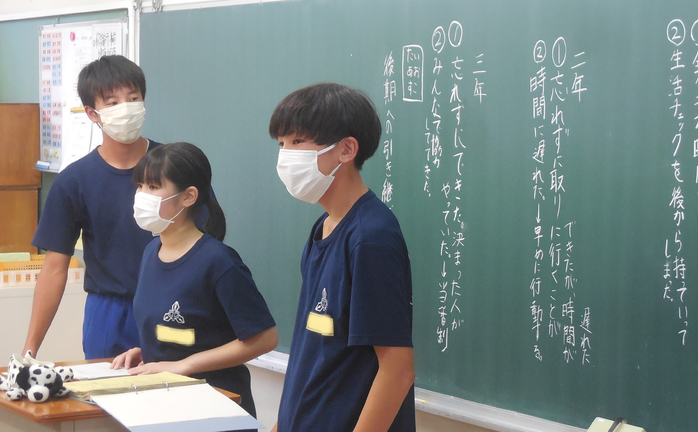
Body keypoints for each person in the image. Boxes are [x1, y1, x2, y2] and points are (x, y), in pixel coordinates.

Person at [269, 83, 416, 432]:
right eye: (281, 144)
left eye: (298, 142)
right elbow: (316, 350)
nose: (286, 156)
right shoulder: (324, 226)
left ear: (346, 149)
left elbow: (397, 370)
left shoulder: (370, 237)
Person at [111, 142, 278, 424]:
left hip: (216, 407)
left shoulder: (218, 261)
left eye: (153, 187)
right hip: (166, 403)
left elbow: (265, 338)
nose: (141, 196)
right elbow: (181, 331)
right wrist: (150, 353)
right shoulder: (151, 252)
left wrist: (183, 365)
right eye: (140, 186)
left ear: (188, 196)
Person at [24, 55, 159, 359]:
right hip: (109, 312)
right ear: (92, 113)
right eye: (113, 102)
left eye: (133, 98)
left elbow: (206, 242)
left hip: (170, 305)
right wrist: (30, 349)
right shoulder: (74, 181)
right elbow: (54, 268)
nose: (126, 108)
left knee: (172, 385)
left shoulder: (174, 168)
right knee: (106, 387)